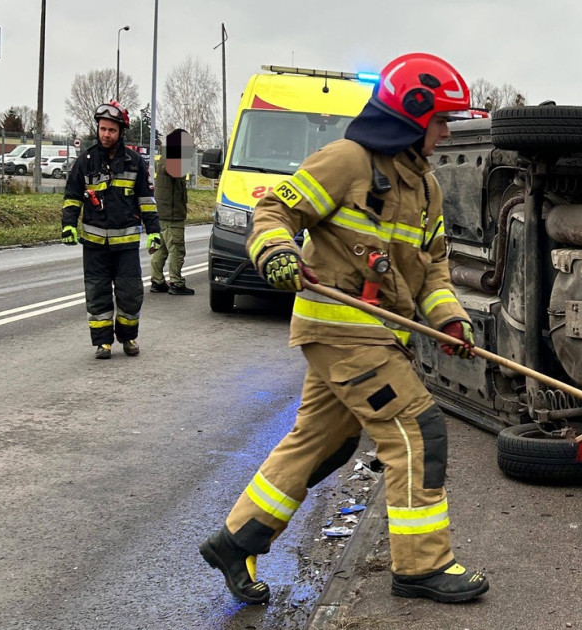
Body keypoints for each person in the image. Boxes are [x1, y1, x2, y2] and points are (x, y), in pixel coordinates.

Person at [199, 52, 488, 605]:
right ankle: (422, 565)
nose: (447, 133)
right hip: (343, 334)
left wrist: (450, 316)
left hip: (378, 335)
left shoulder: (427, 188)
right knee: (416, 431)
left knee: (323, 442)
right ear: (411, 115)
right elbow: (273, 212)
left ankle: (236, 540)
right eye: (441, 121)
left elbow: (432, 268)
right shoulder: (347, 161)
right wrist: (277, 253)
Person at [61, 101, 162, 359]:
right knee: (97, 295)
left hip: (126, 245)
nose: (106, 134)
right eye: (103, 129)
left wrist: (154, 231)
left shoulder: (136, 162)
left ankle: (128, 338)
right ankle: (102, 343)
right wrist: (69, 225)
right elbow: (72, 196)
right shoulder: (85, 161)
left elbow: (146, 201)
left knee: (130, 295)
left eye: (112, 131)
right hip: (94, 245)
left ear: (121, 133)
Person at [150, 129, 193, 295]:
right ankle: (176, 282)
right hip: (172, 215)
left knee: (162, 249)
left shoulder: (163, 160)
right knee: (176, 249)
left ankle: (157, 280)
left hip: (163, 213)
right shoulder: (171, 161)